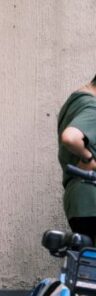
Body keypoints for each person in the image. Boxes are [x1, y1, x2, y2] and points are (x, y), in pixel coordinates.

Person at [59, 74, 96, 238]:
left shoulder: (75, 103)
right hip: (92, 200)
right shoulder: (92, 108)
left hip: (77, 204)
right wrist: (87, 158)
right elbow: (70, 137)